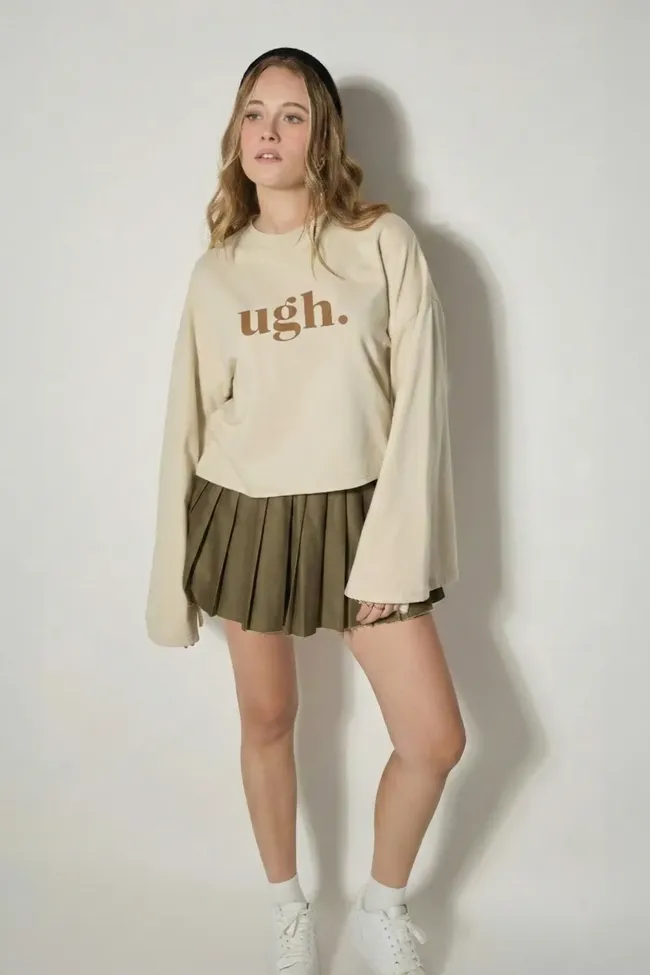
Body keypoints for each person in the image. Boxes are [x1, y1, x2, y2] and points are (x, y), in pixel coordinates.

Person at [145, 46, 465, 975]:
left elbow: (422, 405)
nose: (269, 131)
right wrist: (168, 580)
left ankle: (380, 906)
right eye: (254, 112)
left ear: (323, 135)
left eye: (292, 114)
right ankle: (288, 909)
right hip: (246, 514)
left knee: (434, 739)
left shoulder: (382, 242)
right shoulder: (217, 273)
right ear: (235, 132)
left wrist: (397, 553)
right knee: (269, 717)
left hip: (366, 515)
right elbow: (185, 425)